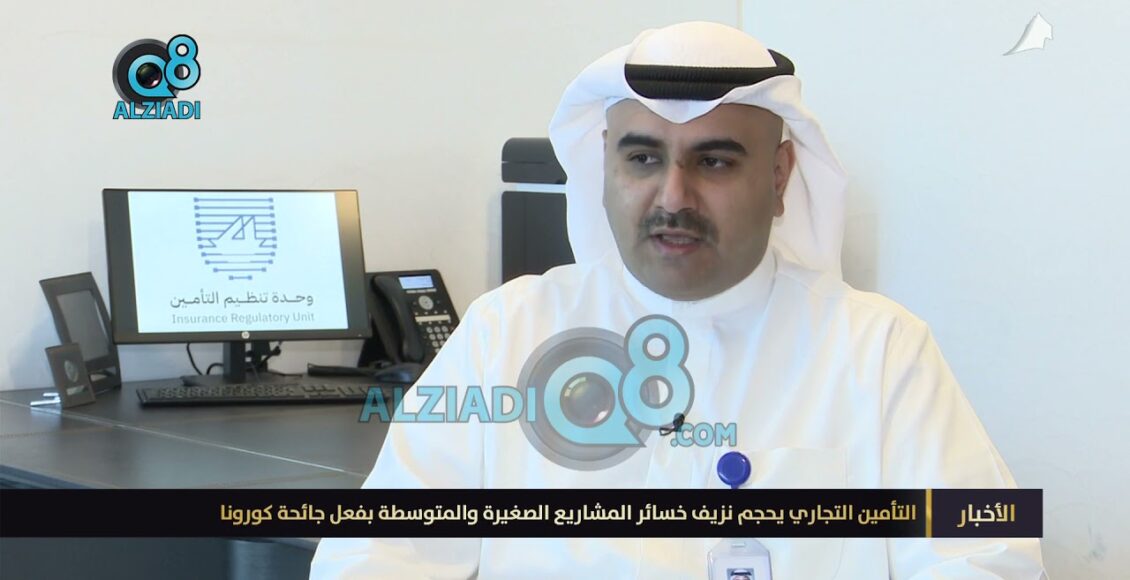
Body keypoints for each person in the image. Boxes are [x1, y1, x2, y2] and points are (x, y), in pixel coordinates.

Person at [311, 21, 1047, 578]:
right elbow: (374, 557)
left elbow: (989, 559)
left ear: (780, 176)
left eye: (714, 161)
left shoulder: (880, 352)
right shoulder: (505, 334)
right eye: (643, 158)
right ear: (605, 166)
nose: (673, 197)